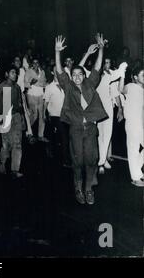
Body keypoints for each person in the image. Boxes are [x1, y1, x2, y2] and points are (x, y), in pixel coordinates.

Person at [55, 34, 108, 205]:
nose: (77, 76)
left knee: (91, 160)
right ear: (72, 76)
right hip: (76, 129)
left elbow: (97, 68)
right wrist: (57, 52)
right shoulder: (69, 87)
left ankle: (88, 190)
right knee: (77, 161)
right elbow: (60, 71)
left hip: (91, 128)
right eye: (74, 74)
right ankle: (78, 189)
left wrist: (101, 49)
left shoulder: (90, 84)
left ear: (84, 76)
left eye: (80, 74)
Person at [0, 66, 26, 178]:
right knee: (6, 144)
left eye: (16, 73)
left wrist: (21, 117)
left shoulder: (17, 87)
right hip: (6, 117)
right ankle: (2, 163)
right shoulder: (2, 87)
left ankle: (14, 170)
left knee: (17, 143)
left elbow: (19, 104)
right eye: (12, 72)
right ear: (7, 74)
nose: (15, 74)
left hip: (16, 116)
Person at [96, 58, 127, 174]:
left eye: (109, 62)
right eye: (105, 62)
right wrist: (121, 68)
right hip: (98, 106)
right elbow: (115, 74)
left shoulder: (111, 75)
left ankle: (102, 160)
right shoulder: (99, 75)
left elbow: (115, 93)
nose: (107, 64)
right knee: (100, 135)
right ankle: (101, 161)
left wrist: (120, 109)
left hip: (109, 106)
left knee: (108, 134)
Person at [119, 65, 144, 187]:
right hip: (132, 123)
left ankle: (137, 170)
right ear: (135, 77)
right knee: (133, 150)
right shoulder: (131, 86)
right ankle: (135, 177)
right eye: (142, 75)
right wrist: (122, 74)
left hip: (141, 123)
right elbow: (120, 89)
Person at [43, 65, 69, 166]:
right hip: (54, 115)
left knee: (61, 137)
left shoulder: (66, 85)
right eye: (55, 70)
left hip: (65, 115)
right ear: (53, 73)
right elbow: (45, 102)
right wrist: (44, 115)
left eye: (60, 70)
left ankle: (52, 149)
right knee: (63, 137)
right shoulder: (49, 87)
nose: (58, 72)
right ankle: (65, 160)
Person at [24, 58, 48, 142]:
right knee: (34, 115)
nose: (35, 64)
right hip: (31, 95)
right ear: (31, 64)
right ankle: (28, 131)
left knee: (42, 116)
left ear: (39, 63)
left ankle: (40, 135)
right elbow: (25, 84)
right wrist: (31, 83)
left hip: (41, 95)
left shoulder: (42, 72)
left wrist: (38, 83)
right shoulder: (28, 71)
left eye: (37, 62)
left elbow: (45, 82)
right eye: (33, 63)